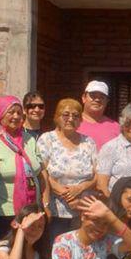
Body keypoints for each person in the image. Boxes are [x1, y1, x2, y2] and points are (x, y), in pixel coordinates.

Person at [36, 98, 97, 247]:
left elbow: (97, 176)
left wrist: (80, 188)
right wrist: (69, 197)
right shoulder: (47, 139)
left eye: (76, 116)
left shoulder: (88, 142)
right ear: (57, 117)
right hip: (57, 211)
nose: (71, 119)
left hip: (84, 210)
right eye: (66, 115)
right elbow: (43, 173)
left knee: (81, 250)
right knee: (58, 251)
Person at [0, 96, 43, 241]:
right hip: (3, 214)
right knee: (4, 257)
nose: (16, 116)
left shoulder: (29, 139)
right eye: (10, 112)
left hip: (31, 213)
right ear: (0, 114)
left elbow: (40, 173)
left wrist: (43, 204)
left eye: (19, 112)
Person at [77, 80, 119, 150]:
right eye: (93, 96)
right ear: (84, 98)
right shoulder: (73, 123)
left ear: (107, 101)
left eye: (102, 97)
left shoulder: (116, 127)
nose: (97, 100)